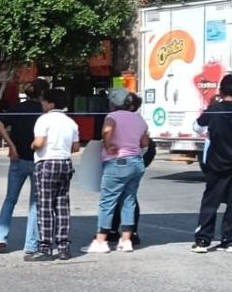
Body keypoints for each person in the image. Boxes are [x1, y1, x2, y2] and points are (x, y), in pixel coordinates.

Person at [0, 78, 48, 255]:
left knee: (10, 200)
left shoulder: (17, 108)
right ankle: (31, 243)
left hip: (17, 158)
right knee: (35, 203)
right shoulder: (44, 112)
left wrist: (10, 145)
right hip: (38, 160)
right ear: (43, 94)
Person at [191, 75, 232, 254]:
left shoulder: (214, 110)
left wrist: (210, 131)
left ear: (221, 90)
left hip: (216, 162)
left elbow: (197, 127)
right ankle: (229, 240)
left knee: (210, 201)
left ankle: (203, 240)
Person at [86, 88, 150, 254]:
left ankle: (101, 241)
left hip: (117, 162)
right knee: (129, 200)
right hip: (136, 162)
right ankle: (126, 240)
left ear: (113, 103)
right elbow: (144, 143)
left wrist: (108, 145)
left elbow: (107, 130)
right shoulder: (139, 119)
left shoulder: (112, 117)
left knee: (107, 201)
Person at [28, 88, 80, 261]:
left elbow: (39, 142)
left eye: (44, 101)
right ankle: (64, 247)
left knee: (45, 206)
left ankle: (45, 248)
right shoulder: (71, 122)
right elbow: (75, 147)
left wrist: (32, 146)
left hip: (47, 163)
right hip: (65, 163)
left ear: (51, 103)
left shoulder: (44, 119)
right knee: (62, 206)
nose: (42, 104)